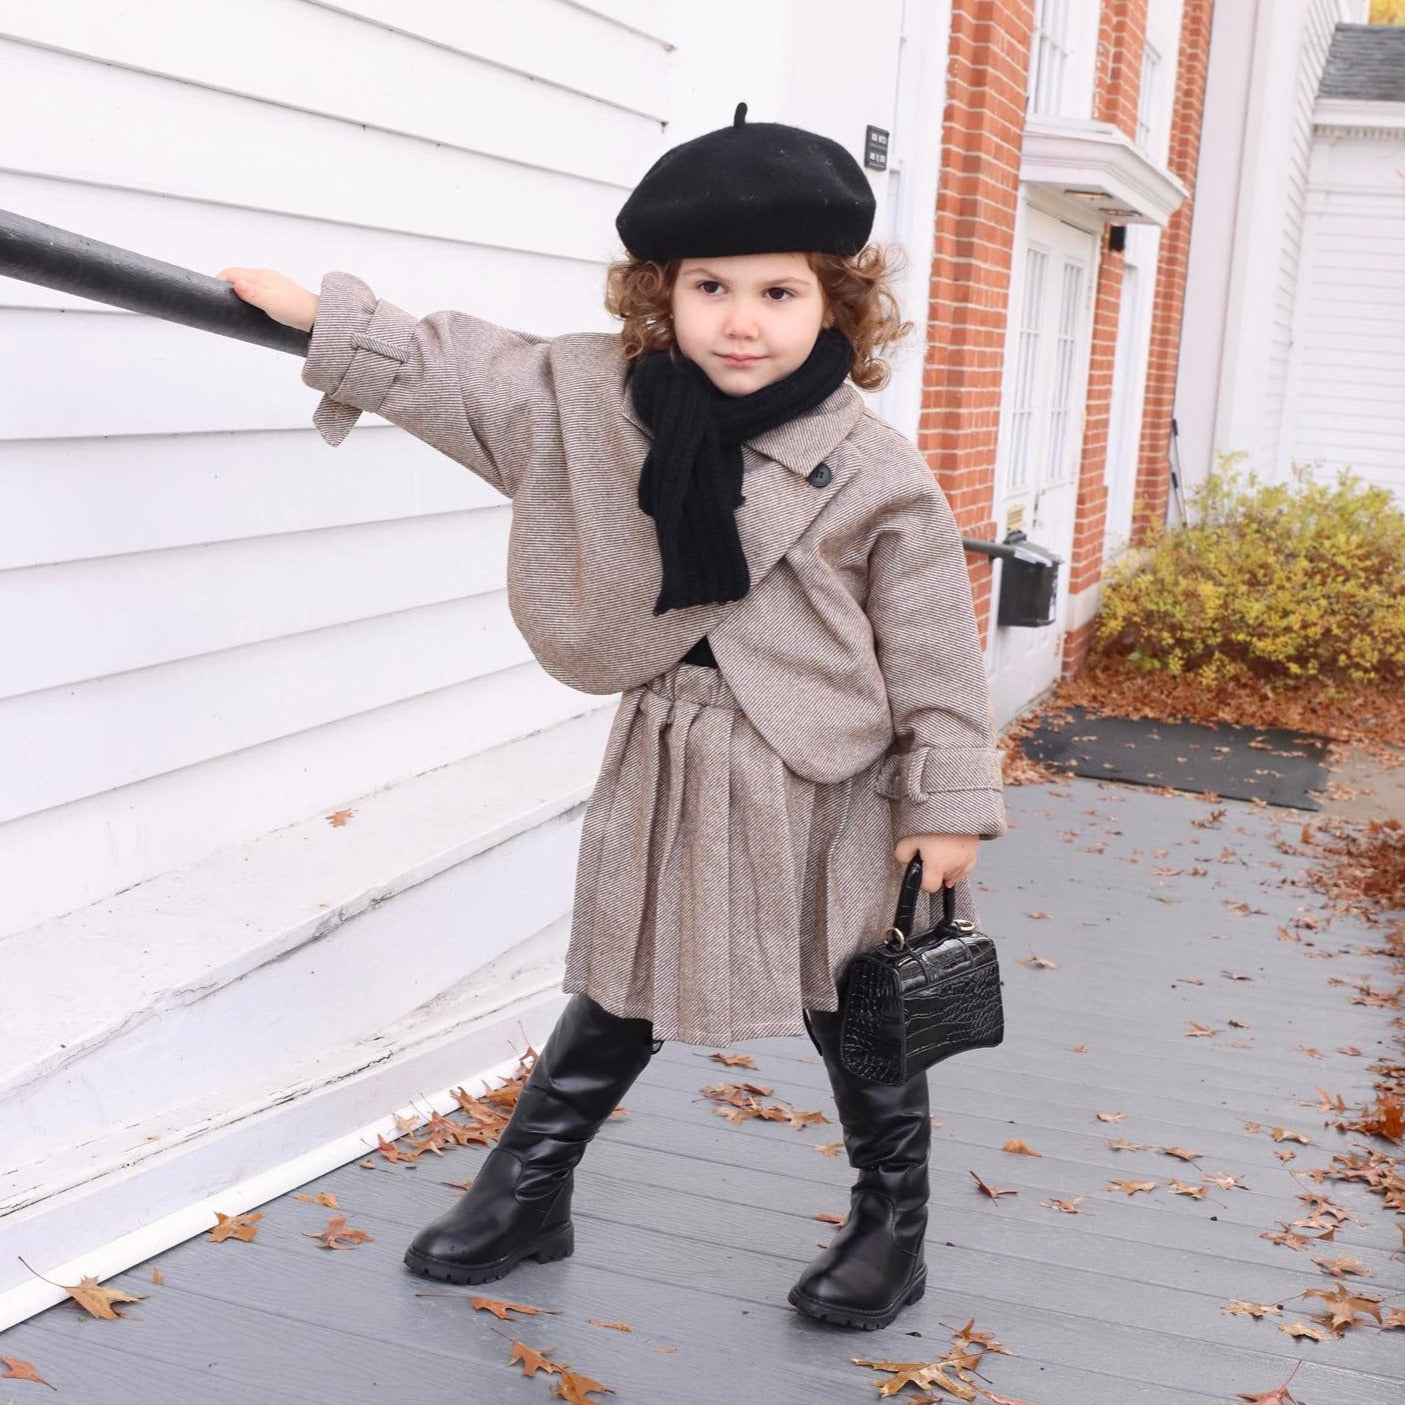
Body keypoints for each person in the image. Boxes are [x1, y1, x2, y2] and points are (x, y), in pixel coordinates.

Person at [219, 104, 1005, 1332]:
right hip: (675, 744)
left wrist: (943, 806)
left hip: (825, 773)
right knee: (623, 968)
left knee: (852, 993)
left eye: (779, 293)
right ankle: (529, 1191)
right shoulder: (596, 404)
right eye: (710, 288)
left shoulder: (876, 469)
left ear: (835, 307)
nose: (742, 322)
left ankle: (888, 1227)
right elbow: (455, 370)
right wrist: (326, 321)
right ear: (663, 295)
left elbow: (934, 652)